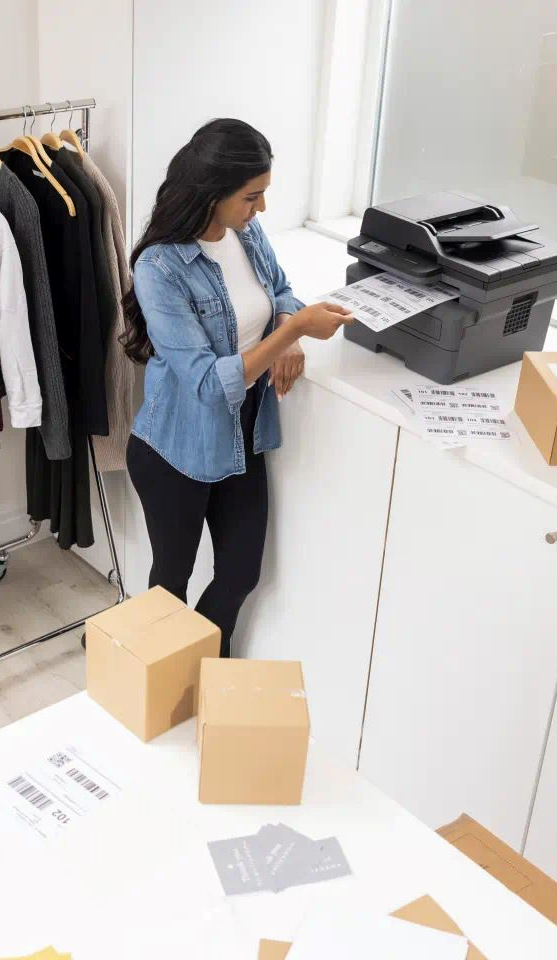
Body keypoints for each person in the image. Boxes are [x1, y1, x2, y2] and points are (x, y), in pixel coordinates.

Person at [123, 118, 354, 657]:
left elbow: (282, 290)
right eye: (252, 196)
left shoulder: (245, 233)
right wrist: (292, 332)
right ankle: (166, 683)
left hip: (242, 437)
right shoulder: (160, 268)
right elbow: (206, 384)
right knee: (169, 588)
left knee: (240, 573)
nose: (261, 208)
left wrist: (286, 322)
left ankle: (207, 675)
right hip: (175, 450)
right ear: (213, 193)